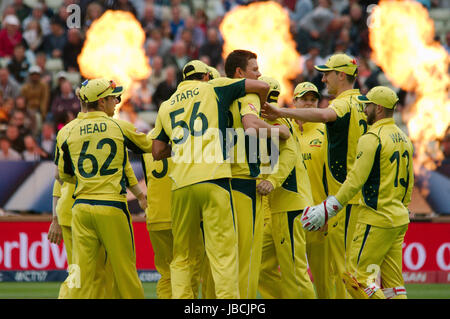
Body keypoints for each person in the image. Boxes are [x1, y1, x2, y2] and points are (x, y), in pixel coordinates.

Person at [150, 60, 269, 299]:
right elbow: (262, 85)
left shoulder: (166, 105)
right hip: (215, 179)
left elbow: (157, 151)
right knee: (223, 254)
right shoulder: (215, 87)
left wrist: (186, 146)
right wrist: (261, 104)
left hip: (181, 185)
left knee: (182, 257)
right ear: (206, 76)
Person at [262, 53, 367, 298]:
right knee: (342, 271)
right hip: (313, 208)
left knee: (337, 277)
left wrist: (280, 112)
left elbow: (324, 115)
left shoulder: (333, 114)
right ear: (295, 100)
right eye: (304, 99)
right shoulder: (364, 105)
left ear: (341, 75)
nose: (323, 78)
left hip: (328, 211)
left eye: (327, 74)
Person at [301, 86, 414, 299]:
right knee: (394, 286)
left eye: (368, 105)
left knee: (356, 277)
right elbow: (410, 182)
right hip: (399, 218)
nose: (364, 109)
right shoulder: (404, 138)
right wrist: (403, 207)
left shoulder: (372, 138)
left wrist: (329, 207)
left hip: (376, 218)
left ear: (378, 108)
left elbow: (354, 180)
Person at [56, 78, 152, 299]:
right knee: (124, 271)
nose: (117, 101)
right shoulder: (119, 126)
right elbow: (150, 147)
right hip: (111, 206)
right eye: (113, 97)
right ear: (101, 102)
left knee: (81, 274)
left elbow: (65, 176)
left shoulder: (67, 132)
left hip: (81, 209)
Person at [215, 50, 290, 299]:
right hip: (245, 182)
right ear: (240, 73)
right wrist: (279, 131)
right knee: (247, 257)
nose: (259, 75)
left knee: (224, 256)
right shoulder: (248, 95)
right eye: (255, 70)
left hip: (217, 181)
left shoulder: (213, 93)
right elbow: (250, 125)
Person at [257, 76, 316, 299]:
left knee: (294, 271)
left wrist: (271, 181)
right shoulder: (269, 122)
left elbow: (289, 156)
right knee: (261, 266)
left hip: (289, 206)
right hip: (278, 208)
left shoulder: (276, 123)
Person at [290, 81, 332, 298]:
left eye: (312, 100)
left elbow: (333, 175)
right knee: (293, 278)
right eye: (303, 99)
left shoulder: (325, 130)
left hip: (319, 215)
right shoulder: (284, 128)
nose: (308, 104)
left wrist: (328, 209)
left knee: (324, 280)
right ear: (293, 102)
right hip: (290, 215)